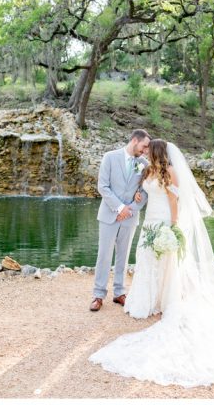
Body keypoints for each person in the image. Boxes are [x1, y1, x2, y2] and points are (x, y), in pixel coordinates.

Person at [89, 139, 214, 387]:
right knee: (145, 259)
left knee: (166, 262)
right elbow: (142, 191)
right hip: (148, 222)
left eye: (148, 149)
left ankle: (165, 299)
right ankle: (144, 299)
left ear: (155, 152)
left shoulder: (169, 171)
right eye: (143, 147)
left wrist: (174, 227)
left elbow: (175, 200)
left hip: (165, 220)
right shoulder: (146, 169)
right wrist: (136, 197)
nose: (145, 152)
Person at [89, 129, 150, 312]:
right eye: (144, 146)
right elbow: (103, 186)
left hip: (130, 217)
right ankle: (99, 295)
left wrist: (130, 208)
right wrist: (119, 207)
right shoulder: (110, 157)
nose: (146, 150)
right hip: (109, 214)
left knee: (123, 256)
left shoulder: (144, 164)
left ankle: (119, 292)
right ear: (134, 141)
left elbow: (145, 191)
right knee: (104, 255)